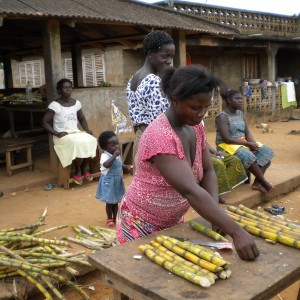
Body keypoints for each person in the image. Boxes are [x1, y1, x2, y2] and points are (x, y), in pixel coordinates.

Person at [117, 65, 259, 261]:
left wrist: (215, 211)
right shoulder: (160, 136)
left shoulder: (195, 127)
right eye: (195, 108)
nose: (201, 114)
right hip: (141, 223)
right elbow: (190, 190)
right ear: (175, 100)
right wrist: (235, 231)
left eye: (206, 107)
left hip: (173, 221)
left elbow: (208, 171)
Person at [126, 30, 175, 172]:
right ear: (150, 53)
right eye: (164, 56)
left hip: (141, 138)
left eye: (171, 57)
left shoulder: (133, 79)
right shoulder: (153, 81)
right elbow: (162, 121)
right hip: (155, 143)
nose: (168, 61)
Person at [215, 89, 274, 193]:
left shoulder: (240, 114)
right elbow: (226, 138)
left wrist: (253, 144)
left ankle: (257, 183)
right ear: (229, 100)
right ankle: (264, 182)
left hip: (241, 143)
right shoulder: (222, 116)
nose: (240, 101)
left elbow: (247, 133)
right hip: (226, 145)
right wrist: (247, 144)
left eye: (241, 98)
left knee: (266, 152)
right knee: (248, 155)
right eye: (236, 98)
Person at [42, 78, 97, 185]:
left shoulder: (76, 103)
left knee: (91, 140)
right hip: (62, 136)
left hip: (75, 133)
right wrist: (57, 133)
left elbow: (82, 119)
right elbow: (44, 122)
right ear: (59, 90)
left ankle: (85, 168)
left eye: (69, 87)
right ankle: (78, 170)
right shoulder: (55, 105)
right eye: (65, 88)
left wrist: (86, 129)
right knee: (76, 143)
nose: (68, 89)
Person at [96, 131, 133, 227]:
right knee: (109, 202)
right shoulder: (105, 156)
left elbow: (120, 165)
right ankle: (109, 218)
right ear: (105, 147)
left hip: (116, 182)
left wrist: (126, 167)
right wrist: (114, 156)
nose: (116, 146)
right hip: (108, 182)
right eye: (113, 145)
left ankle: (115, 217)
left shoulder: (116, 155)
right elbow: (106, 164)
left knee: (115, 201)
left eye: (117, 144)